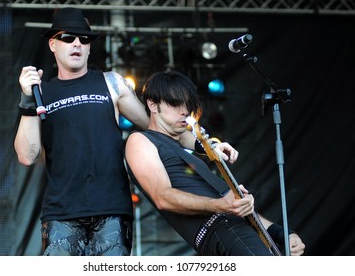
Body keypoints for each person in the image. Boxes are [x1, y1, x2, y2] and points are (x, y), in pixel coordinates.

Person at [14, 8, 226, 256]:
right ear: (52, 44)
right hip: (62, 213)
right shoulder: (42, 93)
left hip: (112, 210)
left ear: (90, 47)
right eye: (68, 38)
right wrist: (28, 100)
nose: (77, 44)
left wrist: (208, 146)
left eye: (84, 39)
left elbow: (158, 125)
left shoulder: (110, 83)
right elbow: (27, 156)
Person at [125, 70, 306, 256]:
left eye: (187, 104)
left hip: (239, 227)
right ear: (153, 105)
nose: (185, 110)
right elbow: (162, 197)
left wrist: (281, 233)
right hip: (220, 230)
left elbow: (233, 204)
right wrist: (220, 205)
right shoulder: (140, 140)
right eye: (175, 103)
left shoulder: (188, 154)